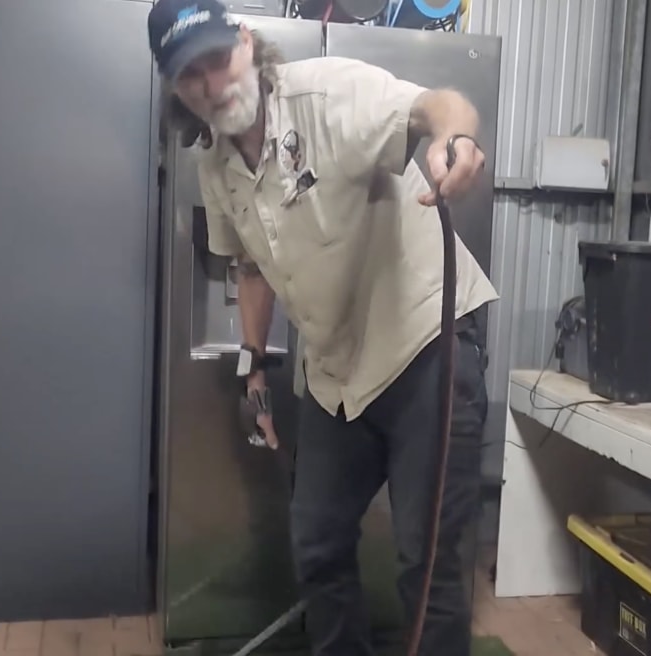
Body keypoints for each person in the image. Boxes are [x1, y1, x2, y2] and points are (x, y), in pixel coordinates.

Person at [147, 1, 499, 654]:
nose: (212, 84)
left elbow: (437, 105)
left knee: (426, 568)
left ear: (247, 44)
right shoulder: (215, 168)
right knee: (317, 542)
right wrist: (253, 365)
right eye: (190, 75)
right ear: (175, 90)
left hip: (424, 346)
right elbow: (251, 267)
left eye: (218, 59)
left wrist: (457, 138)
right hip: (338, 372)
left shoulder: (328, 93)